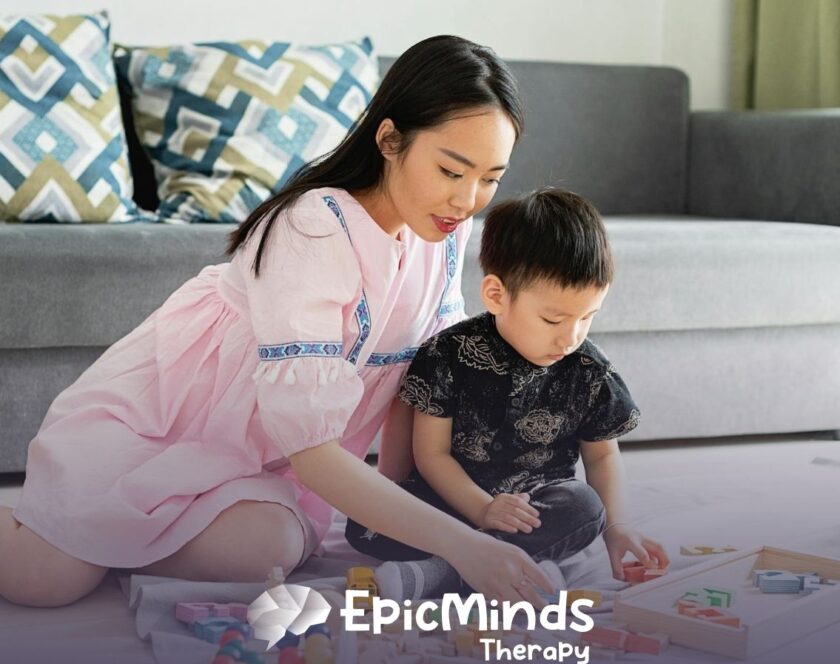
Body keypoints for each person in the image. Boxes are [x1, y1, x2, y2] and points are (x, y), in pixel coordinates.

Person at [0, 35, 557, 608]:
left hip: (253, 464)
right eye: (450, 170)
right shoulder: (312, 228)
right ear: (390, 140)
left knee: (269, 551)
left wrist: (419, 506)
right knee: (46, 581)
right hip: (158, 428)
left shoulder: (442, 232)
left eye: (490, 178)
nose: (468, 200)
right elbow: (314, 452)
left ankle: (104, 538)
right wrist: (463, 546)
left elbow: (418, 381)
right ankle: (80, 534)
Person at [346, 188, 669, 600]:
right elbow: (431, 456)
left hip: (536, 506)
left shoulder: (589, 370)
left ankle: (445, 573)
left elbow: (603, 455)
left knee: (584, 509)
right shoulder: (448, 354)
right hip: (455, 501)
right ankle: (507, 560)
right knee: (366, 522)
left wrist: (619, 530)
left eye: (587, 317)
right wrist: (482, 509)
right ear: (496, 294)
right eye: (553, 318)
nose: (571, 337)